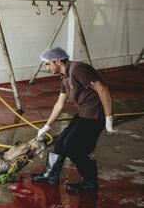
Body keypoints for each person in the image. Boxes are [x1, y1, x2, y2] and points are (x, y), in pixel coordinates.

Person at [32, 47, 116, 194]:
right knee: (61, 142)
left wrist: (108, 117)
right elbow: (60, 103)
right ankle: (51, 175)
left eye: (47, 64)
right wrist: (46, 126)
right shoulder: (65, 77)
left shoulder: (78, 69)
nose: (46, 67)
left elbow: (102, 89)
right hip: (84, 114)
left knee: (73, 147)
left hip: (94, 116)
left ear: (57, 61)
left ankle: (90, 183)